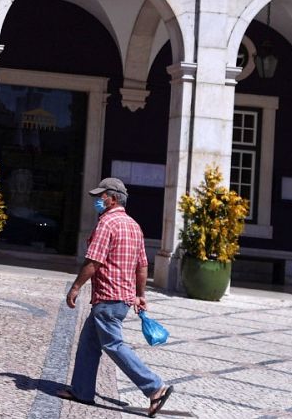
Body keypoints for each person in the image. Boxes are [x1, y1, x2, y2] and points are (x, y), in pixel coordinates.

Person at [58, 177, 173, 416]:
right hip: (121, 298)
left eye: (101, 196)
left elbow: (93, 262)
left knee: (113, 344)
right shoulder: (133, 226)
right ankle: (82, 390)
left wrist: (76, 287)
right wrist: (140, 295)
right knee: (89, 343)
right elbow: (142, 265)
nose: (97, 200)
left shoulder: (107, 224)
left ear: (112, 198)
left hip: (108, 298)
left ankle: (155, 388)